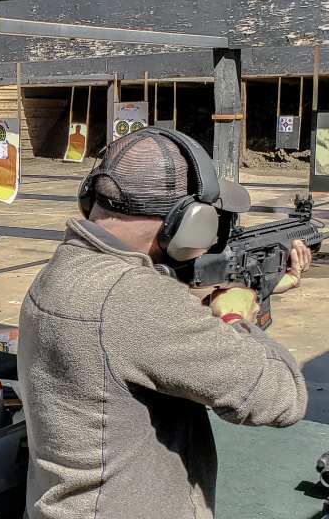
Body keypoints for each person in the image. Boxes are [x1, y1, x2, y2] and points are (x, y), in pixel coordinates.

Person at [18, 127, 310, 519]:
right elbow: (280, 399)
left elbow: (133, 332)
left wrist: (253, 287)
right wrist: (236, 315)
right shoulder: (137, 303)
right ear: (189, 221)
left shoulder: (65, 269)